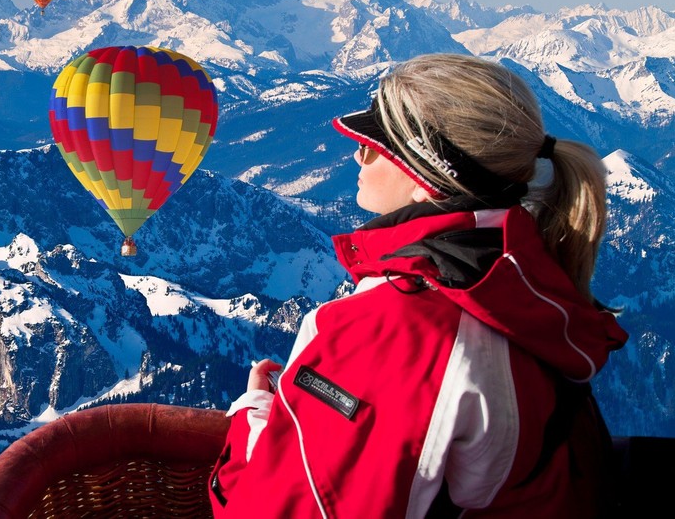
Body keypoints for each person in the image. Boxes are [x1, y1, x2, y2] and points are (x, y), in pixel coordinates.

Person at [208, 54, 628, 517]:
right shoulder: (526, 284)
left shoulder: (395, 330)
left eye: (375, 143)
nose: (357, 154)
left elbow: (276, 509)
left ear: (428, 179)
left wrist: (256, 417)